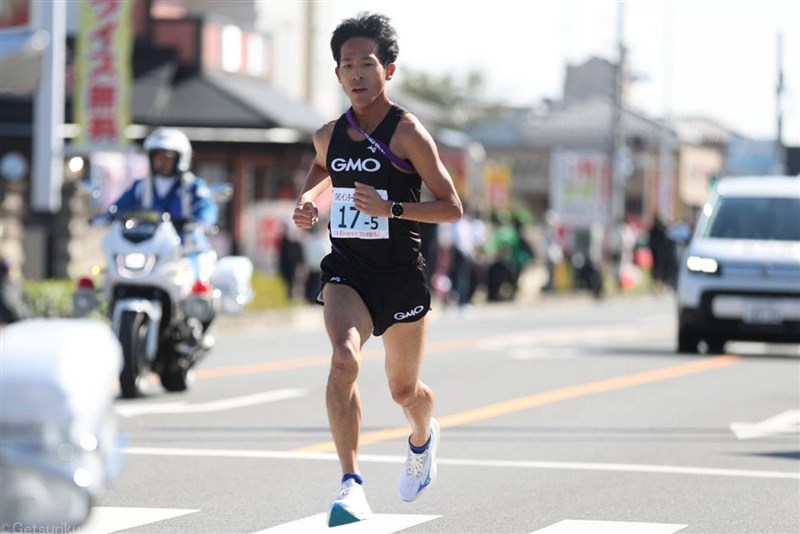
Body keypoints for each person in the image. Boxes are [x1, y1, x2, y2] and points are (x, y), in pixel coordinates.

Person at [292, 12, 462, 527]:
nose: (357, 73)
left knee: (403, 391)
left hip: (400, 275)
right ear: (338, 74)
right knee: (344, 361)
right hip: (347, 270)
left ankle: (422, 435)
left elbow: (451, 205)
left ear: (389, 69)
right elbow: (323, 171)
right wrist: (308, 202)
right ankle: (351, 485)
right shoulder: (327, 135)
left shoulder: (407, 133)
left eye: (367, 63)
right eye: (347, 65)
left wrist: (389, 208)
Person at [103, 128, 218, 283]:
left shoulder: (193, 186)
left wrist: (199, 222)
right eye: (157, 157)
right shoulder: (141, 186)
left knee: (198, 285)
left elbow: (207, 209)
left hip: (187, 250)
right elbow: (119, 207)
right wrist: (105, 216)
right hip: (149, 250)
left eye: (167, 157)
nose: (161, 162)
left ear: (180, 159)